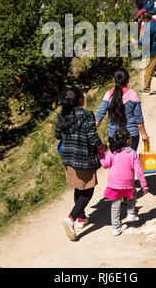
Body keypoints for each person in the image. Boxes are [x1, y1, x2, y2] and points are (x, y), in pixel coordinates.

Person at [55, 87, 103, 241]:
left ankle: (81, 218)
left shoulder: (61, 115)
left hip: (69, 157)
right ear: (80, 100)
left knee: (78, 186)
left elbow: (57, 134)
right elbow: (92, 138)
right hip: (83, 157)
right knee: (88, 190)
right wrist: (101, 146)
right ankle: (71, 219)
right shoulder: (87, 115)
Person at [98, 129, 148, 236]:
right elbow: (139, 170)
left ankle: (116, 228)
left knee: (115, 206)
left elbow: (105, 165)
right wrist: (144, 185)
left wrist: (101, 153)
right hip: (128, 183)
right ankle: (130, 213)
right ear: (128, 141)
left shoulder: (112, 152)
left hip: (114, 183)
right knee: (132, 194)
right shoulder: (132, 152)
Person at [95, 67, 149, 151]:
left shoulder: (108, 95)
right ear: (128, 80)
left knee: (117, 161)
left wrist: (92, 130)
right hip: (130, 138)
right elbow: (138, 117)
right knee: (128, 159)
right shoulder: (133, 95)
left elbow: (100, 114)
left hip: (114, 137)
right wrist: (143, 134)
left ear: (114, 80)